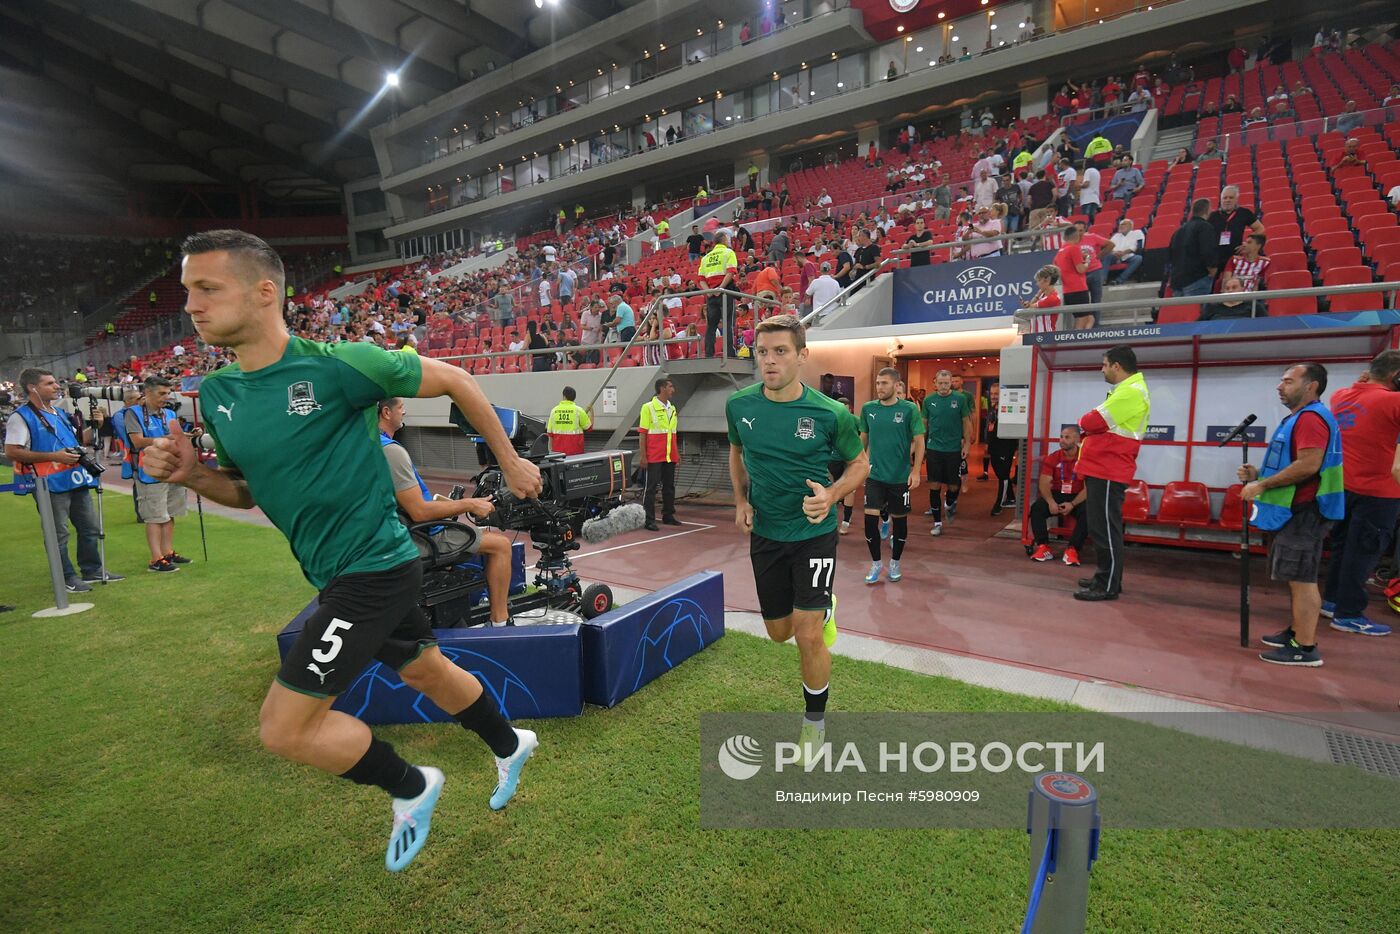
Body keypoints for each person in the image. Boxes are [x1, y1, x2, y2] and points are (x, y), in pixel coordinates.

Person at [141, 230, 545, 873]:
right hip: (339, 572)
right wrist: (192, 475)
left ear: (264, 292)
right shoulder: (218, 396)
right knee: (426, 673)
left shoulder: (338, 364)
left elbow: (457, 379)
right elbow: (246, 494)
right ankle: (509, 741)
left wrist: (511, 458)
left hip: (375, 567)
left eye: (206, 288)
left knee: (284, 729)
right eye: (188, 289)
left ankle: (410, 787)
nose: (190, 304)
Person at [726, 315, 868, 764]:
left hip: (814, 535)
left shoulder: (831, 413)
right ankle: (819, 608)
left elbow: (859, 464)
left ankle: (814, 726)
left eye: (780, 351)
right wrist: (740, 500)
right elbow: (736, 451)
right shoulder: (739, 406)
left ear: (802, 356)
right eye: (762, 352)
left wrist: (831, 495)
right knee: (777, 633)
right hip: (766, 533)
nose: (769, 361)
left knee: (808, 636)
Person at [1240, 363, 1344, 666]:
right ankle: (1297, 631)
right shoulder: (1299, 418)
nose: (1280, 386)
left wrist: (1262, 485)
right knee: (1294, 576)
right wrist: (1258, 473)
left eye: (1288, 381)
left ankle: (1305, 648)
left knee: (1302, 578)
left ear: (1310, 386)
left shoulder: (1311, 418)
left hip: (1305, 510)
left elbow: (1308, 465)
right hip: (1295, 509)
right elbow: (1293, 462)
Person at [377, 398, 514, 628]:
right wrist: (470, 504)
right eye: (401, 407)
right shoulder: (392, 452)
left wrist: (444, 504)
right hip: (419, 537)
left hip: (398, 531)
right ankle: (500, 621)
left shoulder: (370, 446)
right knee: (500, 545)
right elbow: (420, 511)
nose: (405, 411)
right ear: (386, 412)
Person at [5, 368, 122, 592]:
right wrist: (54, 457)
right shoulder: (21, 417)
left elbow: (78, 442)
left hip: (75, 478)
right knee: (59, 533)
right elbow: (11, 452)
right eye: (49, 383)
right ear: (33, 388)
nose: (57, 386)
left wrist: (95, 425)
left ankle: (92, 570)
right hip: (47, 483)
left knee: (89, 527)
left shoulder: (57, 412)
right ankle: (66, 577)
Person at [1319, 351, 1400, 637]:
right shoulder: (1394, 401)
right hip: (1380, 491)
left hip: (1345, 488)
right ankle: (1349, 614)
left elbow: (1360, 389)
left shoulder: (1341, 396)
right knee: (1363, 553)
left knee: (1342, 548)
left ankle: (1332, 602)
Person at [1073, 345, 1150, 601]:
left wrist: (1085, 422)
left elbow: (1091, 422)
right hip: (1104, 468)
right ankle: (1105, 577)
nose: (1102, 369)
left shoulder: (1130, 392)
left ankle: (1108, 585)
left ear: (1117, 365)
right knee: (1101, 527)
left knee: (1105, 528)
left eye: (1105, 364)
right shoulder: (1125, 391)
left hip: (1109, 468)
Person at [860, 368, 925, 584]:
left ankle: (895, 561)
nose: (880, 387)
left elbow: (919, 440)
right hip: (875, 475)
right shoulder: (868, 409)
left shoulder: (908, 410)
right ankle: (877, 563)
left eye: (885, 383)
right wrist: (858, 466)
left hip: (899, 477)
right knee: (870, 520)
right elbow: (863, 440)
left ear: (897, 385)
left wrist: (915, 471)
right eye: (878, 383)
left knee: (900, 522)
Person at [124, 376, 191, 572]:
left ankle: (167, 552)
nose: (166, 397)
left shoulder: (169, 413)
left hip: (172, 469)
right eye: (162, 393)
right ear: (148, 392)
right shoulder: (133, 413)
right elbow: (137, 442)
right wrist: (165, 438)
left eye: (168, 393)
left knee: (170, 514)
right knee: (154, 516)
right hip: (149, 471)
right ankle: (155, 559)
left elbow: (175, 439)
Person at [920, 370, 972, 536]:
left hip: (953, 449)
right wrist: (920, 447)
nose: (943, 386)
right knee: (934, 485)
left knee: (953, 486)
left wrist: (968, 444)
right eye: (940, 383)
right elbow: (924, 425)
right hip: (934, 448)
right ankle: (937, 522)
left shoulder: (960, 399)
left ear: (951, 383)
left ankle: (950, 502)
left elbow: (966, 422)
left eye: (946, 383)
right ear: (935, 383)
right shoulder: (928, 400)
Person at [1029, 426, 1088, 565]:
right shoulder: (1054, 457)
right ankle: (1043, 547)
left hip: (1077, 496)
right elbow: (1044, 482)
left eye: (1067, 437)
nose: (1062, 440)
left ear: (1077, 439)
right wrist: (1050, 502)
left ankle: (1072, 549)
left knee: (1089, 512)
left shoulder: (1085, 459)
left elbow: (1088, 489)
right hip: (1057, 494)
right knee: (1037, 508)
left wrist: (1072, 504)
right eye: (1061, 436)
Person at [639, 377, 681, 532]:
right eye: (670, 386)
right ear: (662, 388)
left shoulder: (672, 408)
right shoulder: (647, 407)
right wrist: (643, 456)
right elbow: (642, 434)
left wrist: (676, 453)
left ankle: (668, 515)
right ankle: (648, 519)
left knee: (669, 487)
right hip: (654, 456)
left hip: (669, 455)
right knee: (650, 488)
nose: (673, 390)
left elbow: (673, 433)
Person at [1208, 186, 1266, 274]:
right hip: (1216, 258)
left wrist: (1247, 244)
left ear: (1236, 199)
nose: (1227, 200)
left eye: (1231, 197)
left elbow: (1260, 229)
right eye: (1225, 198)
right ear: (1221, 199)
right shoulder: (1212, 216)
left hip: (1236, 256)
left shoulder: (1244, 213)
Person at [1169, 198, 1219, 297]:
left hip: (1177, 280)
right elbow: (1208, 251)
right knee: (1197, 311)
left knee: (1181, 312)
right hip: (1197, 279)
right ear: (1208, 210)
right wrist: (1213, 270)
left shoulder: (1178, 231)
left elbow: (1171, 255)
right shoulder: (1205, 227)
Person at [699, 231, 738, 357]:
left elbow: (701, 279)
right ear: (724, 240)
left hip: (711, 296)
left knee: (711, 326)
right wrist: (720, 288)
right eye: (727, 239)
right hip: (724, 293)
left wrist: (709, 292)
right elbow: (731, 272)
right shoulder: (728, 253)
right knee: (728, 324)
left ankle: (709, 354)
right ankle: (730, 354)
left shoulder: (705, 258)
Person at [1055, 226, 1093, 328]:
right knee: (1082, 320)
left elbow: (1057, 270)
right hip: (1078, 289)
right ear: (1077, 237)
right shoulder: (1074, 248)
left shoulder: (1059, 252)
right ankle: (1077, 342)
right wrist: (1087, 263)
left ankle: (1080, 341)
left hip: (1067, 290)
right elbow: (1081, 269)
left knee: (1089, 318)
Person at [546, 386, 591, 455]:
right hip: (575, 454)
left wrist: (551, 452)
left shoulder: (554, 411)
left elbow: (550, 434)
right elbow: (589, 428)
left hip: (558, 454)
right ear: (574, 398)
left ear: (564, 396)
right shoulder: (579, 411)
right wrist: (592, 413)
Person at [1022, 264, 1063, 334]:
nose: (1037, 284)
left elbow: (1029, 308)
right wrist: (1038, 294)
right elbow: (1030, 306)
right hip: (1036, 335)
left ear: (1046, 280)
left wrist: (1029, 304)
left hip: (1046, 337)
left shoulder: (1052, 298)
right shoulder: (1042, 295)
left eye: (1038, 281)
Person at [1108, 219, 1145, 284]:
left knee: (1138, 258)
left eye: (1123, 224)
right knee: (1106, 256)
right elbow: (1109, 246)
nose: (1121, 226)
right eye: (1120, 225)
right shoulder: (1116, 235)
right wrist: (1115, 253)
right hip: (1115, 256)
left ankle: (1119, 280)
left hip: (1128, 256)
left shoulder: (1137, 233)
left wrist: (1123, 253)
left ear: (1130, 226)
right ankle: (1102, 280)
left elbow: (1138, 246)